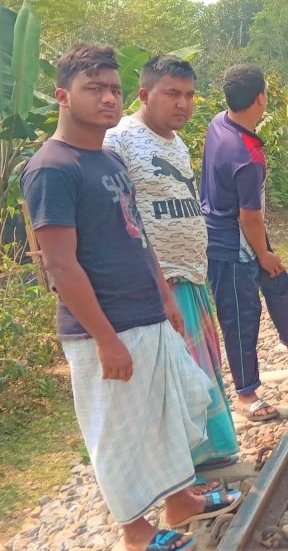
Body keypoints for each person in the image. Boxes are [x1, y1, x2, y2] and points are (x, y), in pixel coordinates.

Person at [22, 44, 239, 551]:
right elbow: (60, 264)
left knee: (176, 409)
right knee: (119, 435)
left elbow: (136, 232)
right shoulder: (53, 168)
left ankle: (180, 498)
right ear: (62, 95)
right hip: (107, 325)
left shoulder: (109, 158)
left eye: (114, 89)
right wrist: (104, 339)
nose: (107, 99)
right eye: (93, 88)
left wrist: (164, 296)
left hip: (147, 313)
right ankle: (136, 534)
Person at [103, 55, 240, 475]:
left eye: (189, 95)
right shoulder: (119, 141)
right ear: (145, 95)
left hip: (192, 275)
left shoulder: (176, 142)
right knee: (176, 376)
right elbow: (119, 217)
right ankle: (179, 470)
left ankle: (207, 453)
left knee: (200, 369)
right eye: (172, 94)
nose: (183, 103)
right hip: (159, 281)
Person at [201, 65, 288, 423]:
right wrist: (262, 253)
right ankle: (247, 394)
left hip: (244, 234)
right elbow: (249, 216)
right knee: (241, 317)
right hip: (231, 243)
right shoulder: (248, 156)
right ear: (260, 98)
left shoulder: (220, 123)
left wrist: (265, 253)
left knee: (279, 284)